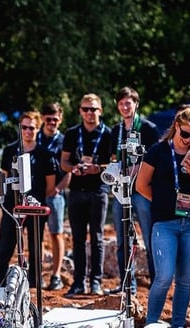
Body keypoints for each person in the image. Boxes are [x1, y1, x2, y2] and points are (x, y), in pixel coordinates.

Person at [136, 105, 190, 328]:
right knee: (164, 275)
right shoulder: (158, 151)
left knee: (185, 279)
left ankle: (178, 326)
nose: (189, 140)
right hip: (164, 224)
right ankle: (151, 325)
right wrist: (159, 203)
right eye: (185, 134)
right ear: (176, 126)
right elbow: (141, 185)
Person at [0, 111, 57, 287]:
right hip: (12, 206)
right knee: (5, 248)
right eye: (24, 127)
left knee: (35, 248)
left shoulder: (45, 154)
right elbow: (4, 178)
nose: (28, 131)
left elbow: (50, 185)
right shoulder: (9, 150)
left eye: (32, 128)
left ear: (38, 128)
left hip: (35, 207)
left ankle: (34, 285)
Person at [60, 94, 114, 298]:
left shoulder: (108, 134)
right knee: (78, 239)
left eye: (93, 109)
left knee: (97, 237)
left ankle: (96, 282)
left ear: (100, 110)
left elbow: (115, 163)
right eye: (85, 109)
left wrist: (97, 168)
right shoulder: (72, 133)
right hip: (76, 191)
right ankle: (78, 283)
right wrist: (74, 168)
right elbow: (63, 162)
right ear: (80, 111)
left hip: (98, 190)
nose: (89, 113)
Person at [109, 86, 161, 294]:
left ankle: (157, 283)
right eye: (121, 103)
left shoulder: (148, 128)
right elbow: (112, 158)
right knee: (122, 239)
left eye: (128, 103)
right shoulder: (115, 130)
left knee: (149, 236)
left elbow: (154, 158)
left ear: (136, 104)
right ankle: (127, 285)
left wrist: (134, 169)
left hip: (141, 189)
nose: (124, 106)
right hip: (121, 188)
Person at [38, 103, 70, 291]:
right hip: (36, 194)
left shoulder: (64, 141)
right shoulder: (35, 137)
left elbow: (69, 169)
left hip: (56, 194)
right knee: (37, 235)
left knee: (56, 233)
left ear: (60, 119)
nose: (51, 122)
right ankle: (38, 273)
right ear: (42, 118)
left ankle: (56, 274)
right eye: (48, 119)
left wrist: (57, 189)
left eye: (55, 119)